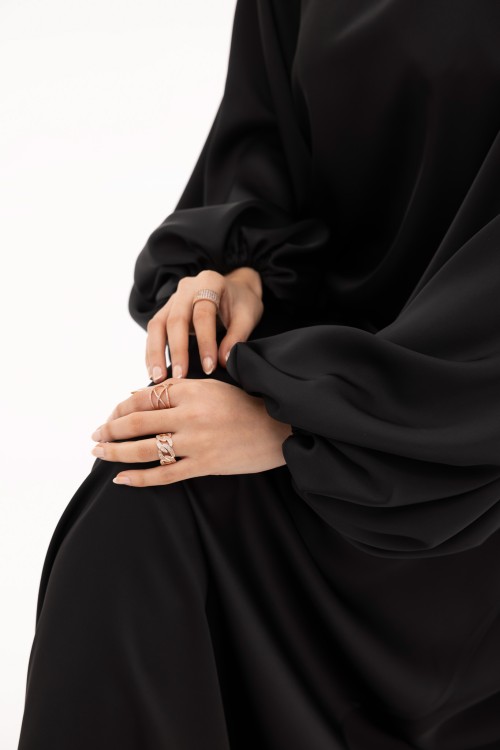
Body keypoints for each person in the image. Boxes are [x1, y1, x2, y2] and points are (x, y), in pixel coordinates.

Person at [16, 0, 500, 747]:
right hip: (321, 405)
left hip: (459, 483)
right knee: (137, 511)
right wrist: (240, 274)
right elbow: (268, 140)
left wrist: (299, 423)